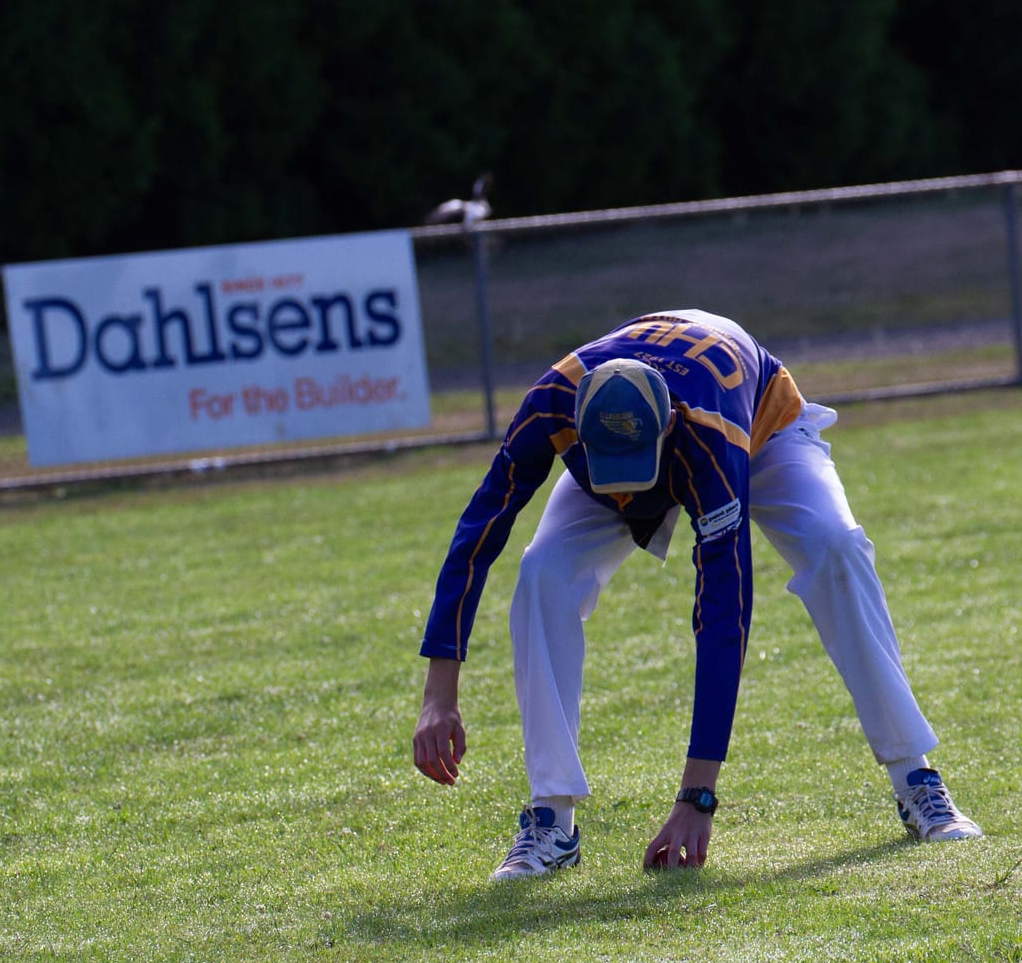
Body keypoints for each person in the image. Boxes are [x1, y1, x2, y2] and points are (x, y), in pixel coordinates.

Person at [411, 309, 981, 881]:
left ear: (665, 428)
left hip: (760, 426)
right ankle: (550, 820)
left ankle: (917, 779)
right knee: (542, 573)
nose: (630, 490)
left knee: (837, 548)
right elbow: (477, 533)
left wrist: (696, 797)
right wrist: (440, 694)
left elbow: (724, 610)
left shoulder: (710, 436)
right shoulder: (551, 402)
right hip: (645, 430)